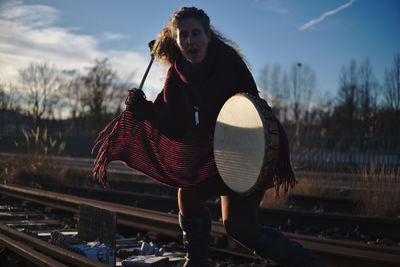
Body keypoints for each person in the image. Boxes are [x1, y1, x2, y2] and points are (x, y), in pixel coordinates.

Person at [93, 6, 327, 267]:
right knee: (189, 195)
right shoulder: (176, 75)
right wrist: (145, 109)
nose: (190, 41)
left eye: (196, 33)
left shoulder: (229, 65)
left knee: (239, 227)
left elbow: (251, 113)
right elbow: (174, 124)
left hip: (249, 153)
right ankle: (197, 263)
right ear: (176, 40)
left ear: (208, 36)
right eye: (184, 36)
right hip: (215, 157)